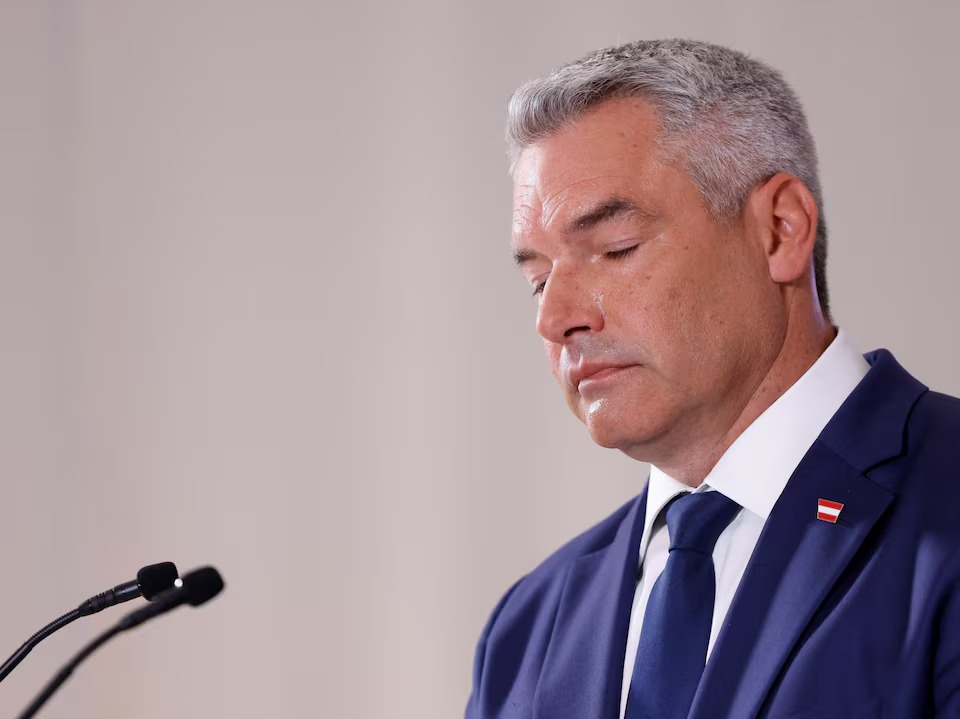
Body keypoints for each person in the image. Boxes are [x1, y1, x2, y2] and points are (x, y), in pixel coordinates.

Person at [465, 39, 960, 719]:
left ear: (781, 230)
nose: (557, 318)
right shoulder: (525, 630)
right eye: (538, 280)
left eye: (616, 250)